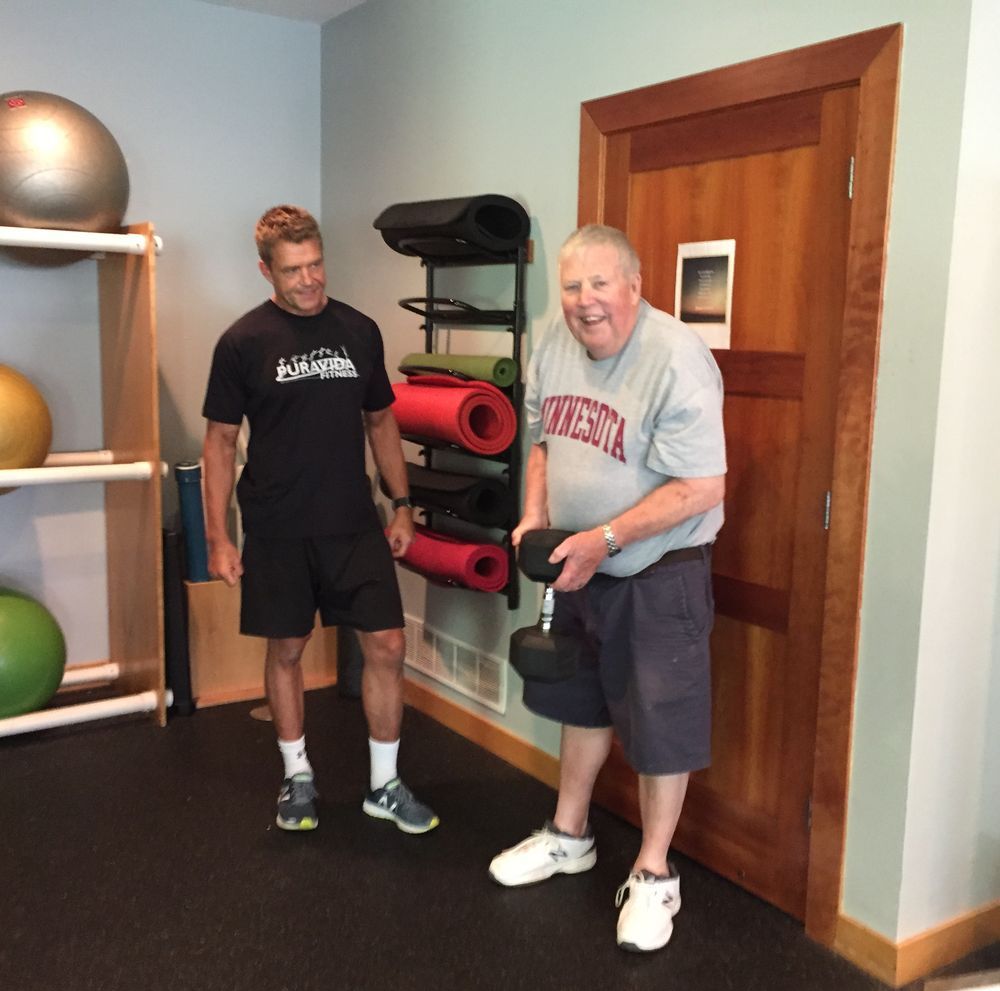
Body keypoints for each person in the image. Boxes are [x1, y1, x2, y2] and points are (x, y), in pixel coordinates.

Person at [488, 224, 726, 953]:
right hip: (575, 563)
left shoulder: (676, 357)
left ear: (635, 284)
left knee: (661, 724)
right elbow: (541, 441)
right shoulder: (555, 342)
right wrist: (536, 517)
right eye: (571, 286)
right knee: (581, 699)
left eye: (600, 284)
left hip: (658, 573)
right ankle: (570, 835)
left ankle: (655, 875)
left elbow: (702, 485)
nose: (585, 302)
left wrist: (606, 540)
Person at [201, 204, 438, 836]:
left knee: (388, 644)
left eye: (316, 264)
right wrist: (219, 537)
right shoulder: (243, 343)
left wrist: (402, 503)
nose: (309, 280)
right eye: (293, 270)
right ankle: (297, 775)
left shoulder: (358, 331)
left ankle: (384, 785)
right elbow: (220, 443)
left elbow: (380, 420)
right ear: (266, 270)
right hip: (277, 524)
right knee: (288, 649)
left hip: (353, 520)